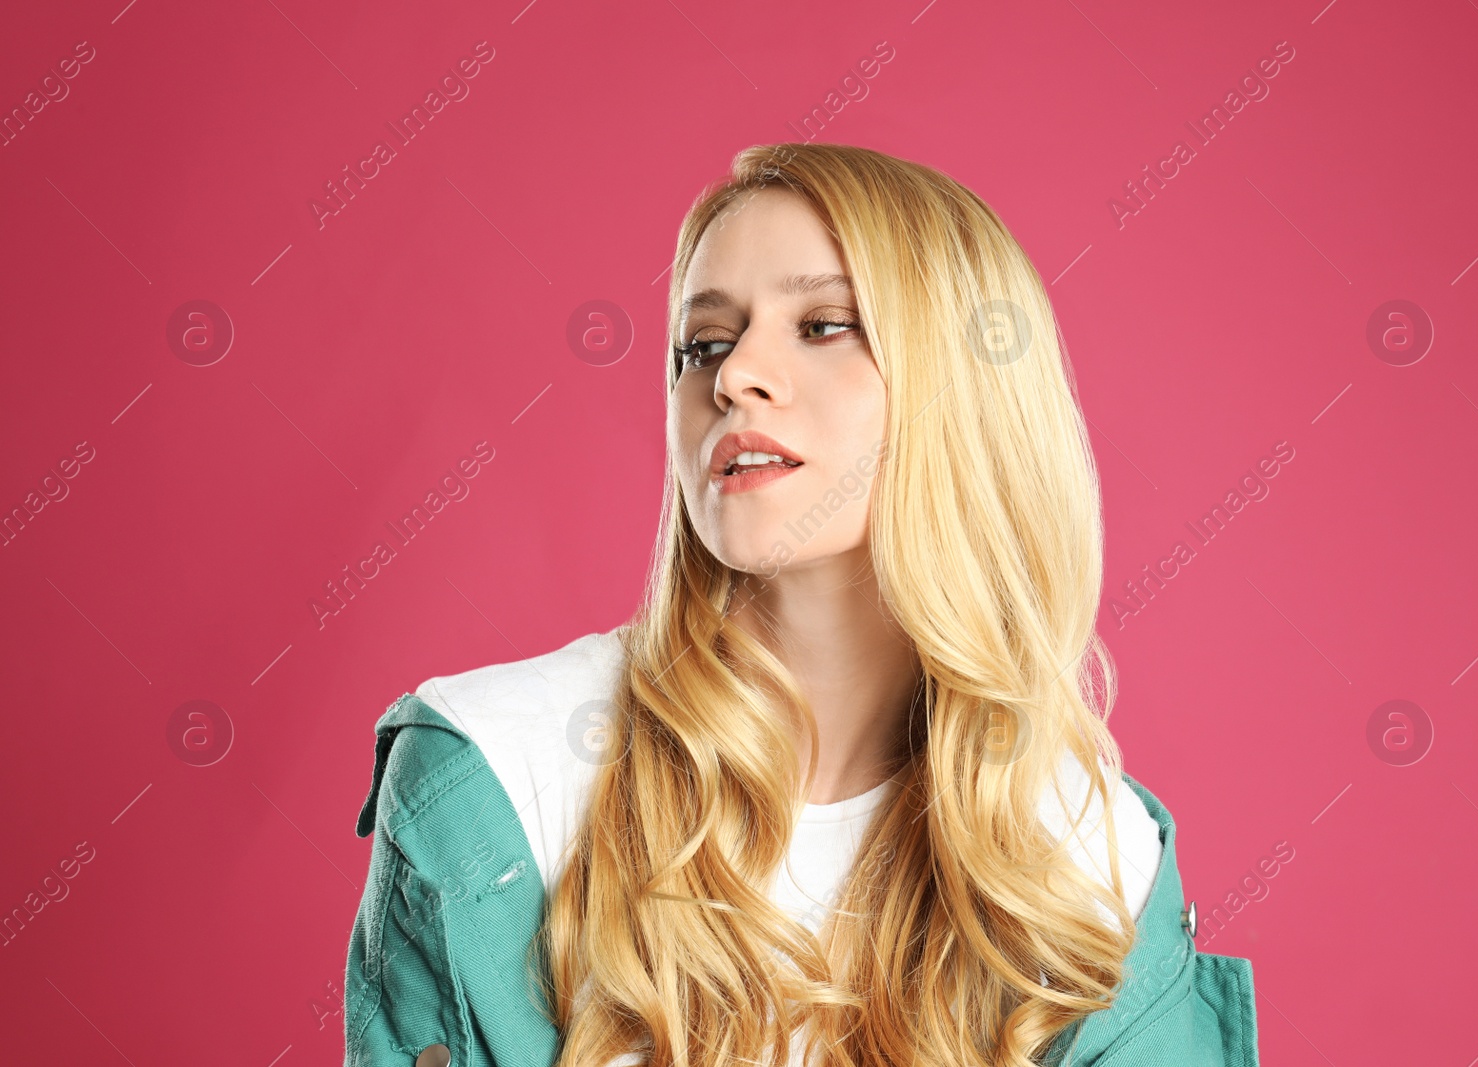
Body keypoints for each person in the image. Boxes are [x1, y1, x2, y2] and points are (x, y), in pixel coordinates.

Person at [342, 143, 1260, 1067]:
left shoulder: (1087, 853)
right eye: (702, 344)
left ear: (966, 384)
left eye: (822, 325)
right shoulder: (502, 777)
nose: (734, 376)